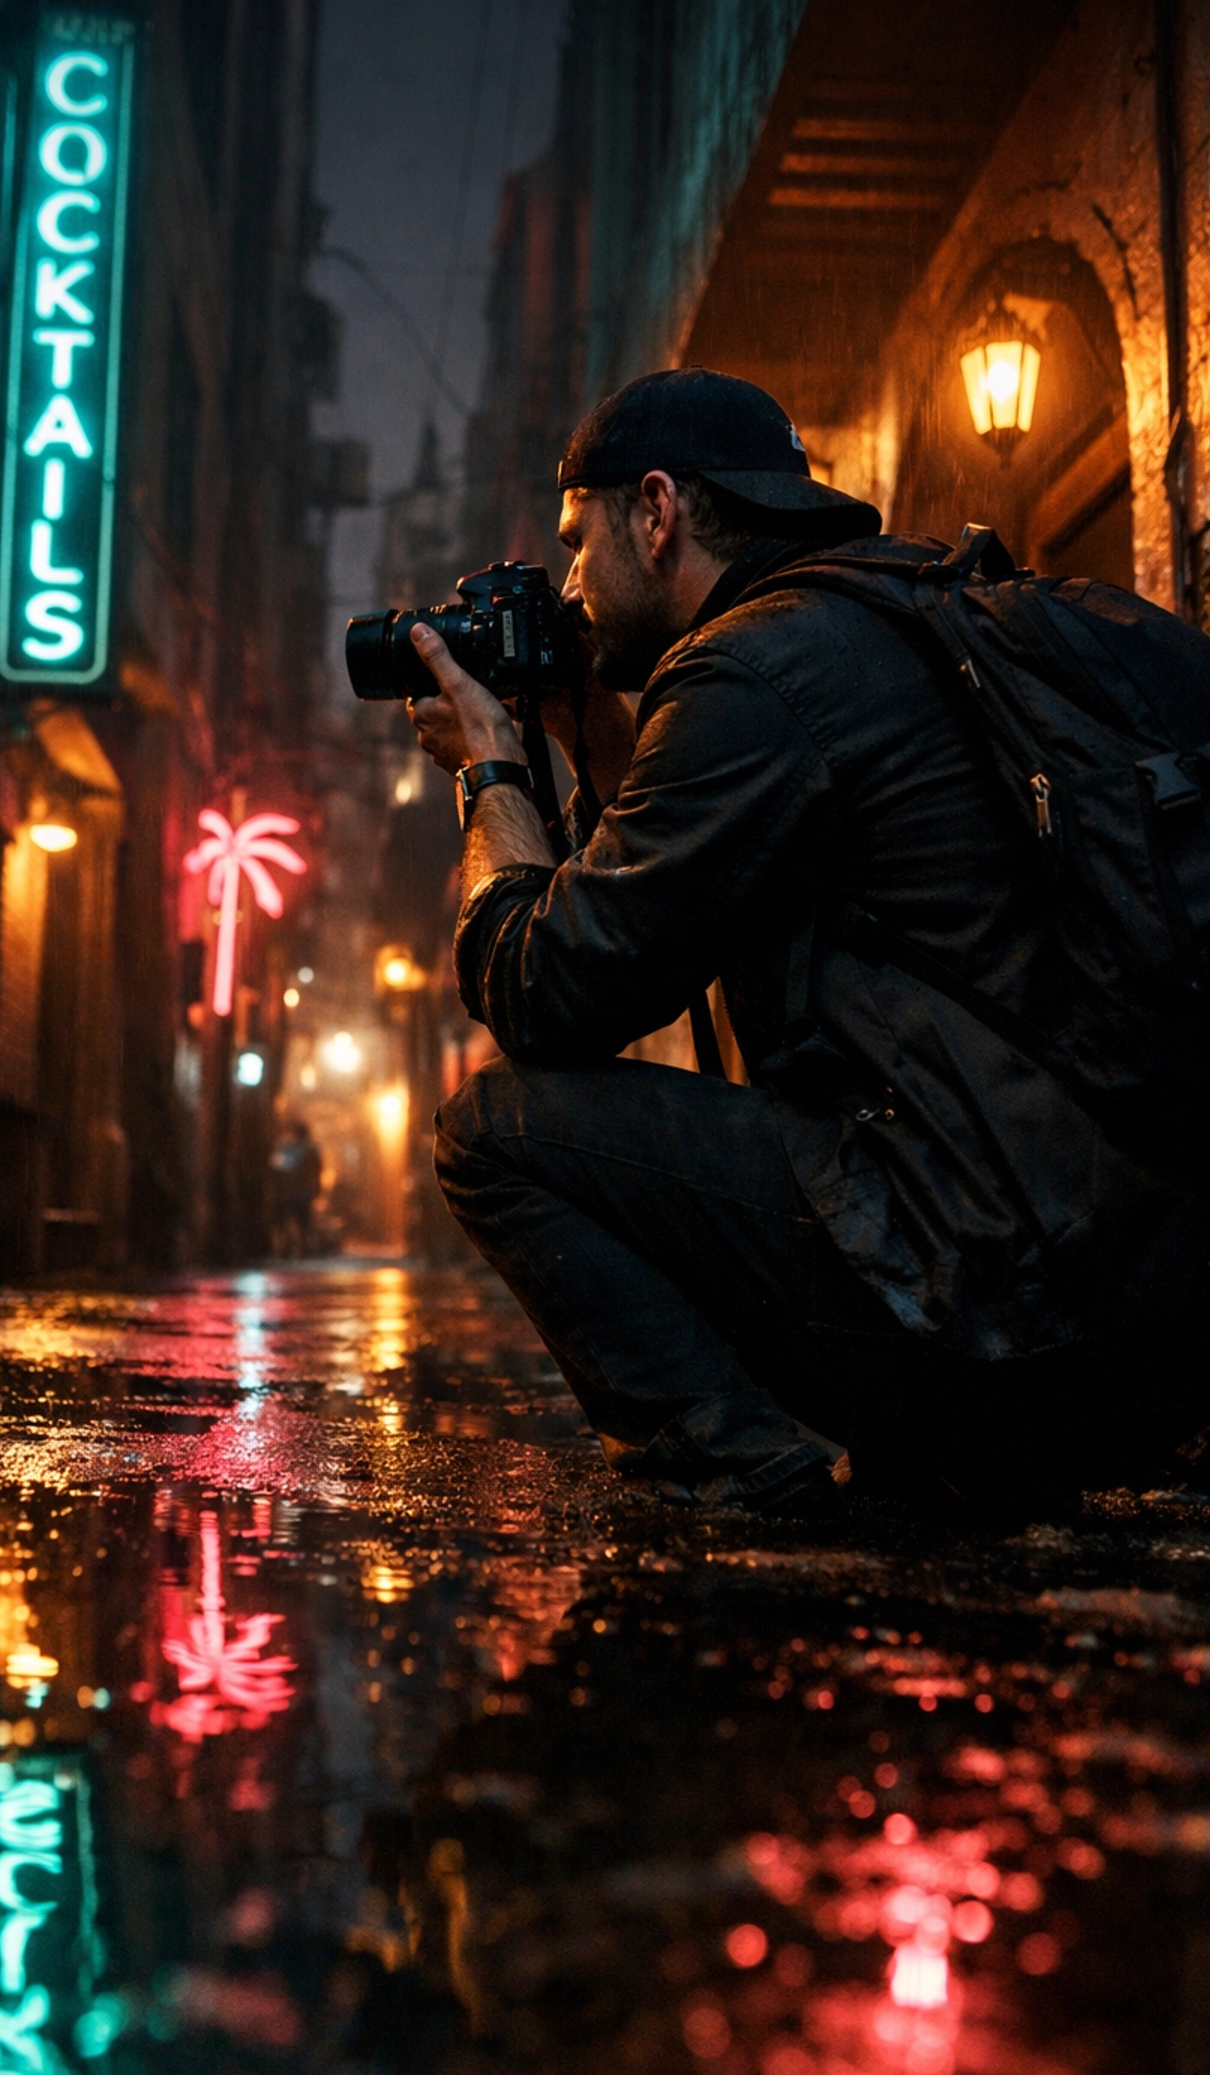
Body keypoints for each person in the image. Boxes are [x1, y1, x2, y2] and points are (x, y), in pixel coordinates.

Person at [407, 368, 1210, 1516]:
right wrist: (588, 736)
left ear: (657, 510)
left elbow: (545, 989)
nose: (572, 587)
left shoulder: (748, 670)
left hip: (1003, 1310)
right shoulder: (870, 614)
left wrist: (488, 771)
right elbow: (662, 909)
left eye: (579, 541)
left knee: (493, 1130)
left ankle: (758, 1492)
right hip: (1129, 1298)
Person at [270, 1117, 322, 1259]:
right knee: (302, 1221)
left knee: (286, 1220)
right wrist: (317, 1188)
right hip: (303, 1192)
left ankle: (284, 1249)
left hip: (288, 1191)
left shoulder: (286, 1149)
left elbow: (277, 1168)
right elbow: (317, 1170)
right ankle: (301, 1250)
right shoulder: (311, 1149)